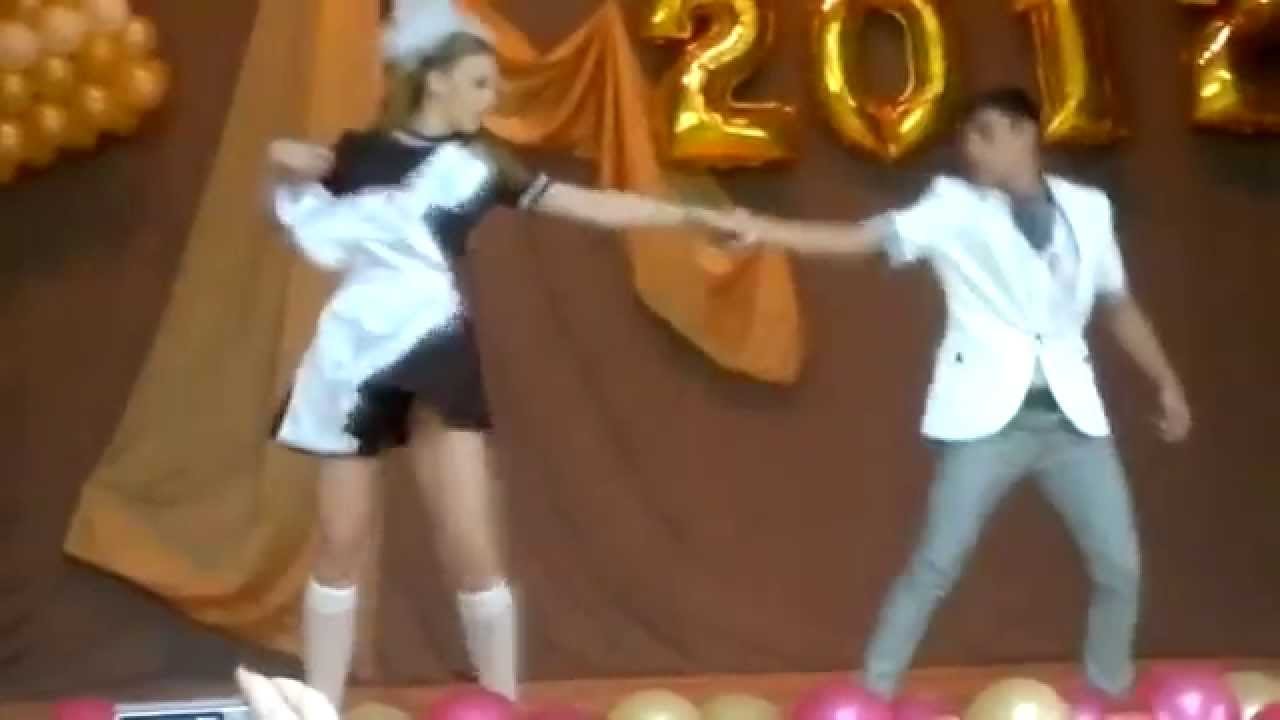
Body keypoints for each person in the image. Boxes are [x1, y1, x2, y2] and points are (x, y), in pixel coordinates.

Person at [266, 0, 713, 708]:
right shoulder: (357, 155)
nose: (491, 96)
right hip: (352, 354)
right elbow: (299, 191)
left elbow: (589, 205)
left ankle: (500, 703)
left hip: (434, 346)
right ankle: (317, 707)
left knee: (472, 546)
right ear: (435, 79)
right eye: (478, 82)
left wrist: (685, 214)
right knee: (340, 543)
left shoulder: (480, 165)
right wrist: (282, 159)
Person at [699, 87, 1191, 701]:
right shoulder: (953, 207)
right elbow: (861, 239)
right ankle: (871, 695)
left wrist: (1166, 382)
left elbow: (1117, 305)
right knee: (937, 562)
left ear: (1024, 134)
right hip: (989, 421)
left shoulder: (1089, 209)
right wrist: (765, 230)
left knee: (1120, 566)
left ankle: (1106, 692)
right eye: (966, 138)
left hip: (1072, 420)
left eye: (985, 134)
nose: (971, 149)